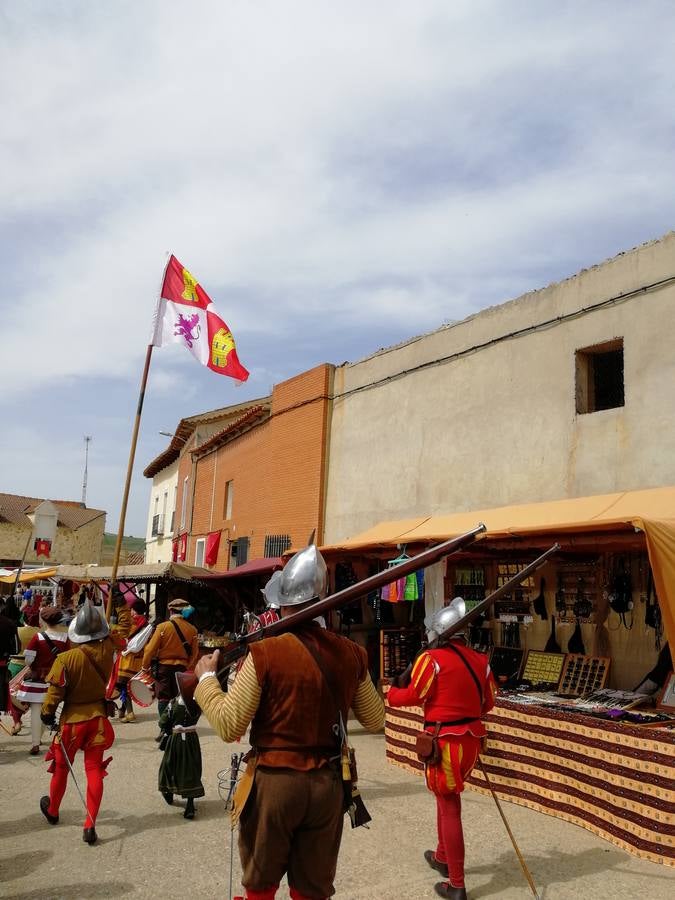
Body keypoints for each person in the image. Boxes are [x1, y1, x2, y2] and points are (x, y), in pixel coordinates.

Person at [193, 540, 385, 900]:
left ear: (281, 603)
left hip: (276, 785)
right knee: (311, 891)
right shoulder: (352, 653)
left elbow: (229, 724)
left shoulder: (266, 652)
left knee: (261, 888)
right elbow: (375, 719)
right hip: (328, 787)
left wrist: (205, 680)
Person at [387, 598, 497, 900]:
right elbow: (488, 703)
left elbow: (415, 693)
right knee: (444, 797)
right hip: (471, 741)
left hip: (445, 743)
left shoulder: (431, 659)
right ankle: (442, 855)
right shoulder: (481, 660)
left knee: (450, 806)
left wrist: (392, 693)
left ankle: (457, 883)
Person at [39, 597, 123, 844]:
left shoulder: (66, 659)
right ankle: (90, 824)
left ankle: (53, 810)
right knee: (94, 770)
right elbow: (118, 635)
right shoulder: (109, 648)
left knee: (62, 768)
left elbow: (54, 695)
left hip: (72, 721)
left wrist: (46, 712)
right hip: (97, 718)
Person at [15, 607, 68, 754]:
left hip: (38, 678)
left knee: (36, 710)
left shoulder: (38, 637)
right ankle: (42, 737)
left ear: (44, 621)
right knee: (48, 708)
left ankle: (35, 742)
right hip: (56, 679)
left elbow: (28, 660)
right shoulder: (66, 638)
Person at [142, 597, 199, 731]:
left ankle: (164, 726)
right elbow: (195, 654)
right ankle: (174, 724)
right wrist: (187, 665)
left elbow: (150, 650)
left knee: (163, 697)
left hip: (163, 667)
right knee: (177, 697)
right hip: (181, 668)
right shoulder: (192, 630)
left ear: (171, 611)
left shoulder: (162, 627)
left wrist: (145, 666)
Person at [157, 690, 204, 819]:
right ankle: (190, 805)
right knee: (191, 769)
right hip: (192, 739)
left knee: (169, 765)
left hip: (175, 740)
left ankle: (168, 791)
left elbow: (162, 722)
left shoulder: (173, 703)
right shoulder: (197, 703)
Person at [116, 599, 149, 722]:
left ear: (134, 610)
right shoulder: (147, 624)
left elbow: (122, 636)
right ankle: (122, 710)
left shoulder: (132, 623)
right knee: (128, 685)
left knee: (124, 685)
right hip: (139, 660)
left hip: (127, 659)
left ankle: (130, 713)